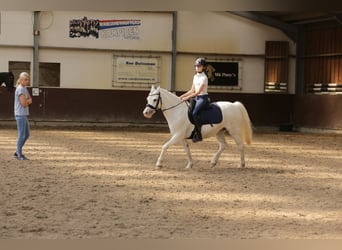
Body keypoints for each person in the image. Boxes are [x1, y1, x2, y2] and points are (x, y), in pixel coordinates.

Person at [180, 57, 209, 142]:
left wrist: (187, 98)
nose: (197, 67)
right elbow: (192, 90)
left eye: (199, 66)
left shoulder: (204, 78)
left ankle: (199, 134)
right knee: (188, 111)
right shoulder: (195, 76)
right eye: (196, 66)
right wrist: (181, 96)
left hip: (202, 98)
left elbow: (198, 92)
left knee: (195, 113)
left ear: (203, 67)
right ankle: (192, 131)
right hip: (196, 98)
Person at [14, 72, 32, 160]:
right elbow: (24, 103)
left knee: (27, 134)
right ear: (21, 80)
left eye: (28, 79)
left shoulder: (25, 88)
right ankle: (18, 153)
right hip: (20, 114)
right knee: (21, 134)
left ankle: (18, 151)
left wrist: (28, 101)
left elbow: (30, 99)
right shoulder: (20, 89)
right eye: (26, 79)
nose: (27, 81)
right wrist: (28, 101)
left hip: (24, 114)